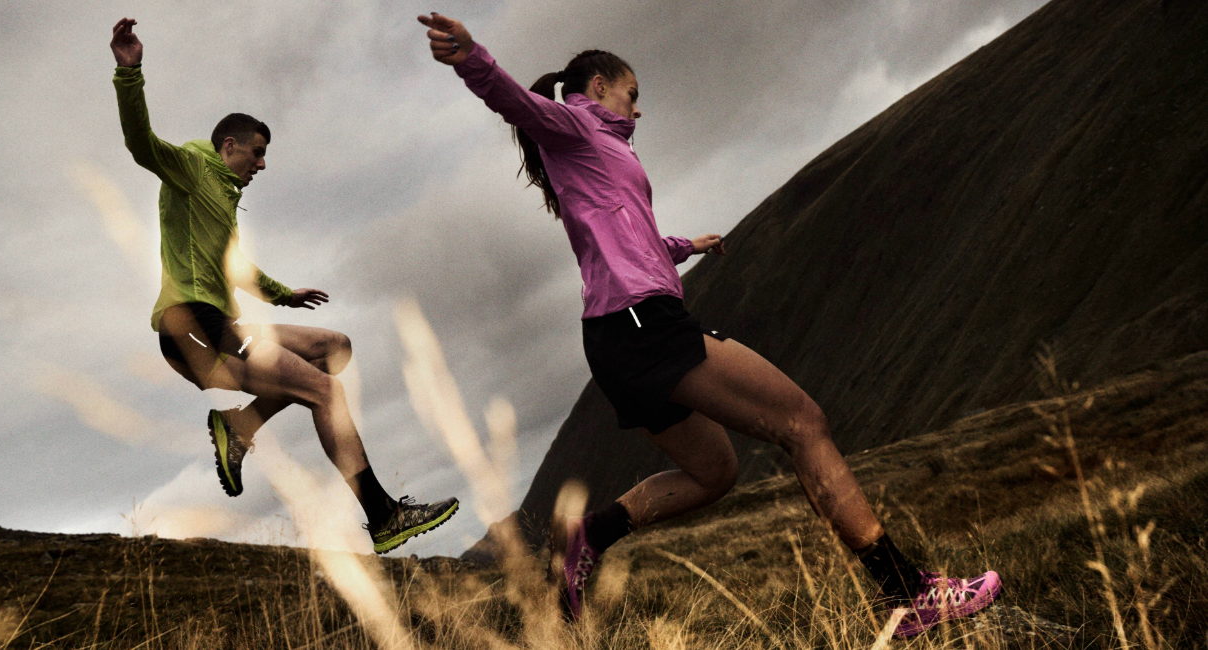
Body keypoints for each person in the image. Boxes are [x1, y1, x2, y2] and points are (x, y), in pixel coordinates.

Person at [418, 12, 1000, 636]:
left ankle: (590, 536)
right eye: (632, 94)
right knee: (803, 423)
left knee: (714, 472)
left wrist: (683, 246)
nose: (639, 110)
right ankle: (906, 592)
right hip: (644, 322)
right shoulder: (578, 127)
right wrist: (473, 57)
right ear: (597, 89)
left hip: (619, 333)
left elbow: (625, 237)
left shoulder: (601, 152)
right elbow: (518, 106)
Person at [109, 18, 457, 554]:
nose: (263, 164)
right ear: (229, 146)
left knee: (334, 348)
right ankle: (383, 516)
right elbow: (139, 143)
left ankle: (240, 427)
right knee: (324, 391)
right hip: (190, 326)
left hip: (223, 322)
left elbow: (234, 267)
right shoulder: (189, 167)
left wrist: (280, 294)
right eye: (257, 153)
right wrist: (129, 73)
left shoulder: (222, 196)